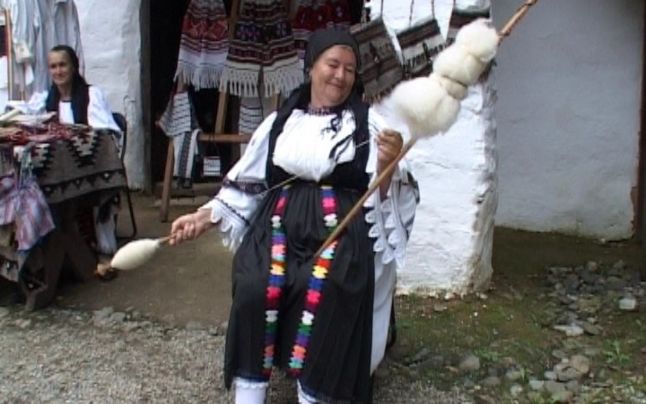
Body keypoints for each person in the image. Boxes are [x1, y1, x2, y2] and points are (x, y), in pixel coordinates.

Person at [171, 28, 418, 403]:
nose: (340, 76)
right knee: (255, 286)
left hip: (341, 229)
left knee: (327, 290)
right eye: (332, 65)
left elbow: (387, 195)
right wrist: (203, 217)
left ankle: (316, 394)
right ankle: (250, 394)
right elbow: (247, 182)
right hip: (278, 226)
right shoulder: (279, 123)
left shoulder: (369, 127)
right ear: (311, 67)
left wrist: (388, 166)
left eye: (349, 69)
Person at [12, 45, 123, 280]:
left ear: (73, 67)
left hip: (90, 168)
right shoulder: (45, 100)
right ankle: (42, 257)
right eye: (53, 66)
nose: (58, 71)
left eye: (63, 65)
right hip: (59, 171)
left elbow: (105, 135)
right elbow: (26, 115)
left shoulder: (91, 95)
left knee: (94, 190)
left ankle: (104, 252)